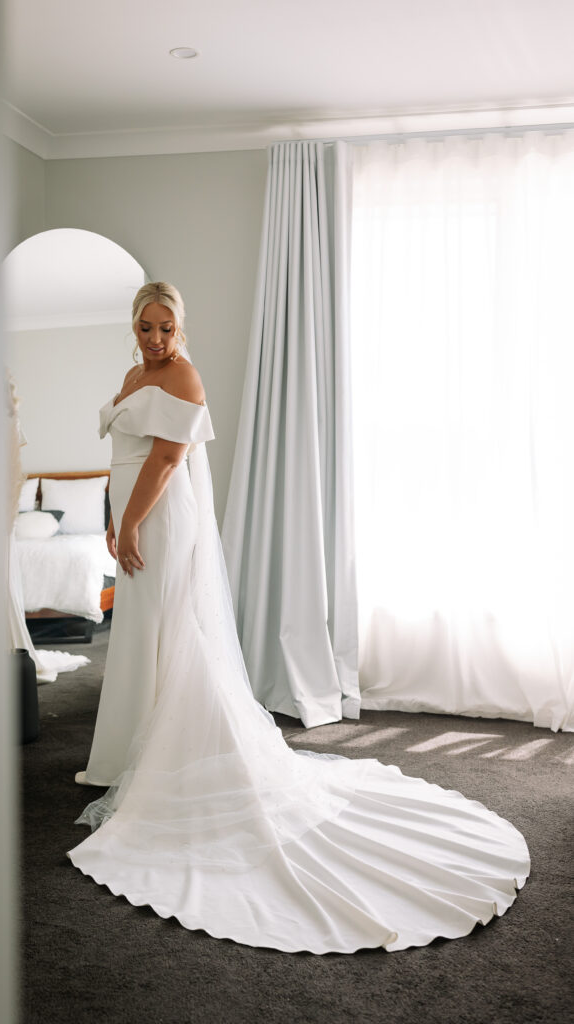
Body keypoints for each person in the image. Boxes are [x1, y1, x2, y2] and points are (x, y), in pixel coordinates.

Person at [68, 282, 529, 954]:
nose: (155, 339)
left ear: (180, 327)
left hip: (162, 517)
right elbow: (121, 458)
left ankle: (173, 750)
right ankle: (127, 746)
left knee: (170, 630)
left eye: (166, 328)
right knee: (141, 633)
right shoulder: (134, 373)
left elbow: (167, 460)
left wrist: (133, 521)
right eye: (145, 327)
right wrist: (112, 521)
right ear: (133, 327)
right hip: (133, 513)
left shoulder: (184, 376)